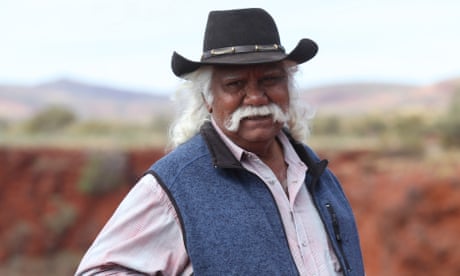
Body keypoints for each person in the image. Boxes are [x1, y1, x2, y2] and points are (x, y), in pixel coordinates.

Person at [76, 8, 365, 276]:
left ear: (288, 87)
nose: (255, 98)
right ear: (208, 98)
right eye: (235, 84)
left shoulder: (316, 173)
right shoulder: (176, 184)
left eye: (270, 80)